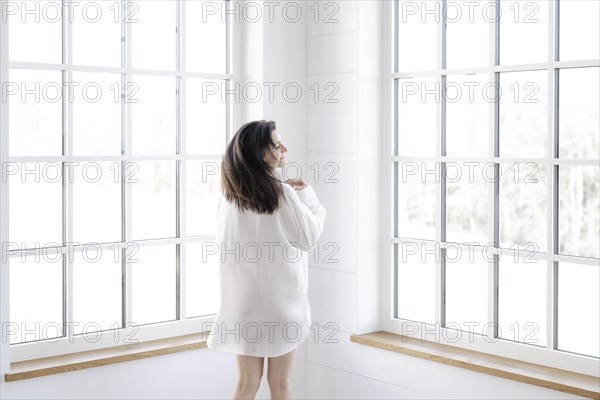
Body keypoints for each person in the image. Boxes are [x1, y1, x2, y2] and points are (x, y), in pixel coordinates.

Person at [206, 120, 327, 399]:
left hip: (242, 307)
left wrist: (282, 193)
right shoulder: (282, 194)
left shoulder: (228, 195)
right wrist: (305, 196)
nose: (285, 148)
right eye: (277, 145)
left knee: (246, 384)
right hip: (279, 307)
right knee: (281, 385)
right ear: (261, 154)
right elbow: (308, 237)